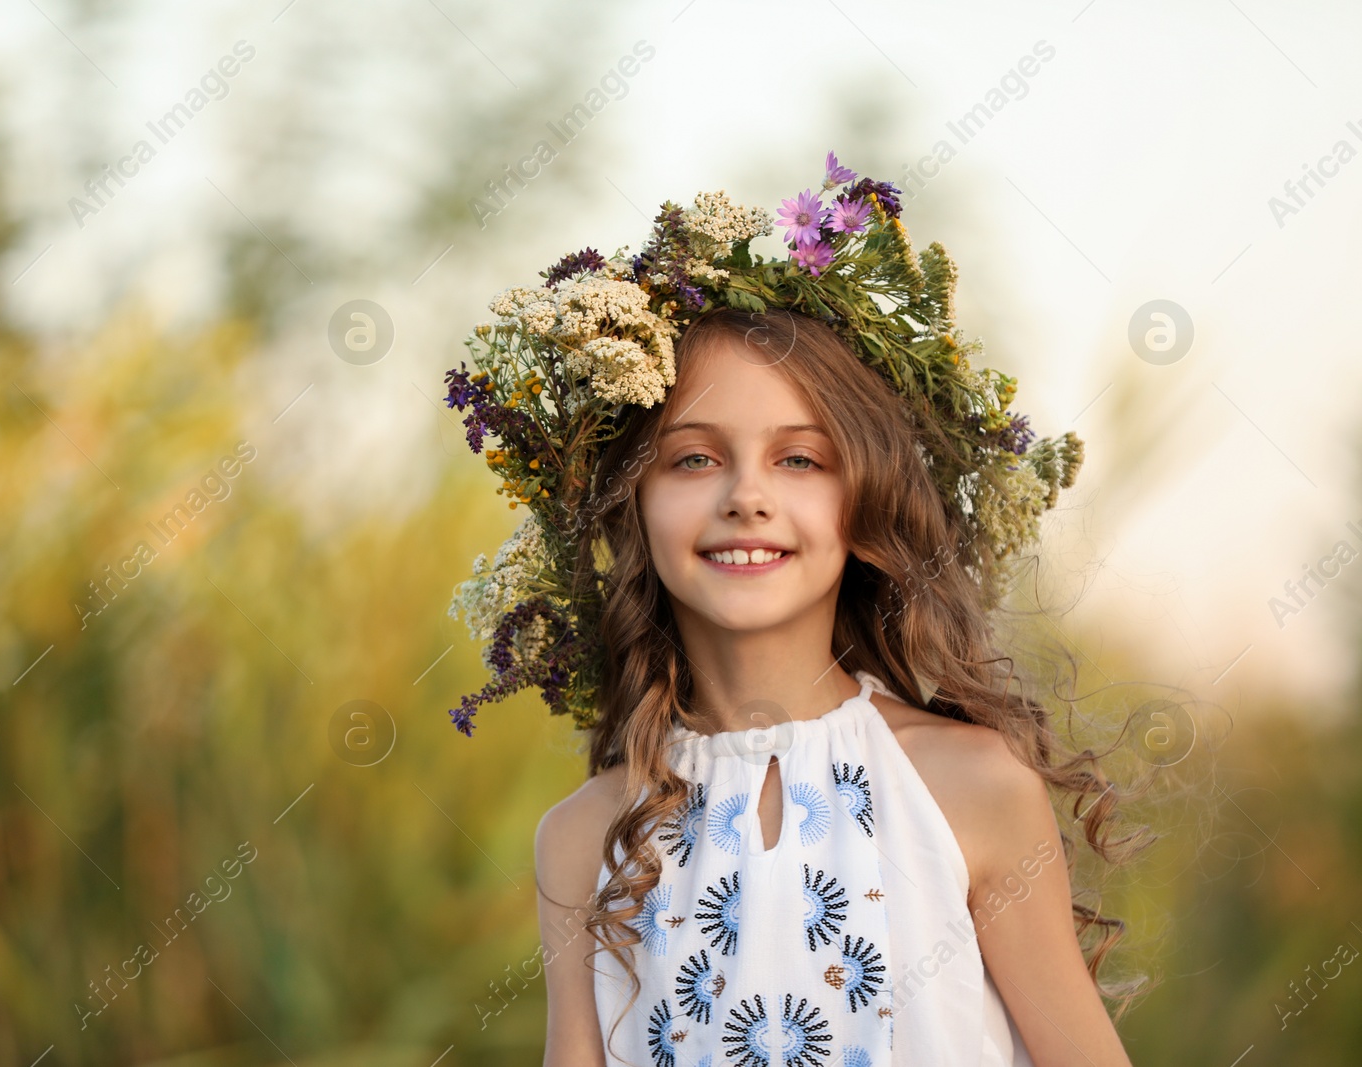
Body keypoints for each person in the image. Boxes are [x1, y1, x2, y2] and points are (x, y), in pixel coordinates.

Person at [442, 151, 1148, 1066]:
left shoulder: (970, 790)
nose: (746, 495)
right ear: (631, 503)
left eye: (799, 459)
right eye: (693, 457)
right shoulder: (583, 839)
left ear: (865, 502)